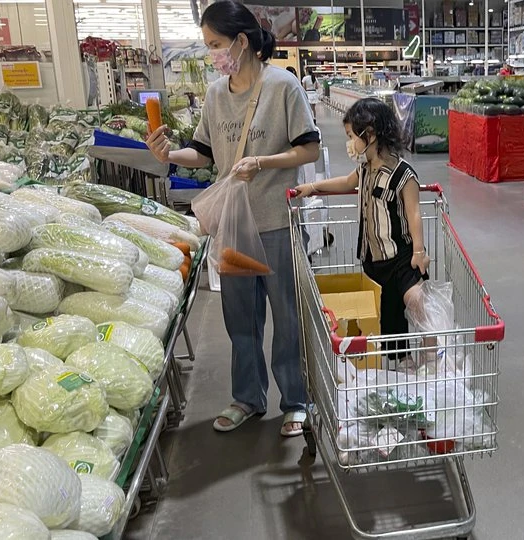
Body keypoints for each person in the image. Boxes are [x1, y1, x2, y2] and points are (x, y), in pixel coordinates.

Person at [145, 0, 320, 435]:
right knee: (240, 318)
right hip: (233, 227)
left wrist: (262, 162)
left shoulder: (284, 87)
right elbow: (202, 155)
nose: (213, 55)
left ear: (242, 42)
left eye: (217, 44)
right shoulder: (214, 96)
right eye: (208, 46)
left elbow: (309, 148)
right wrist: (169, 155)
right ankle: (247, 397)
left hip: (276, 219)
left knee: (287, 317)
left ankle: (295, 401)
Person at [294, 98, 429, 363]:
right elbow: (345, 182)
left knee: (416, 300)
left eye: (351, 136)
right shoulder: (364, 169)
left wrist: (419, 251)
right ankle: (401, 362)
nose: (349, 143)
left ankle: (434, 358)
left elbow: (414, 213)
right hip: (372, 259)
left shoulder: (403, 174)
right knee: (388, 317)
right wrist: (312, 188)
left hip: (401, 256)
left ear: (370, 134)